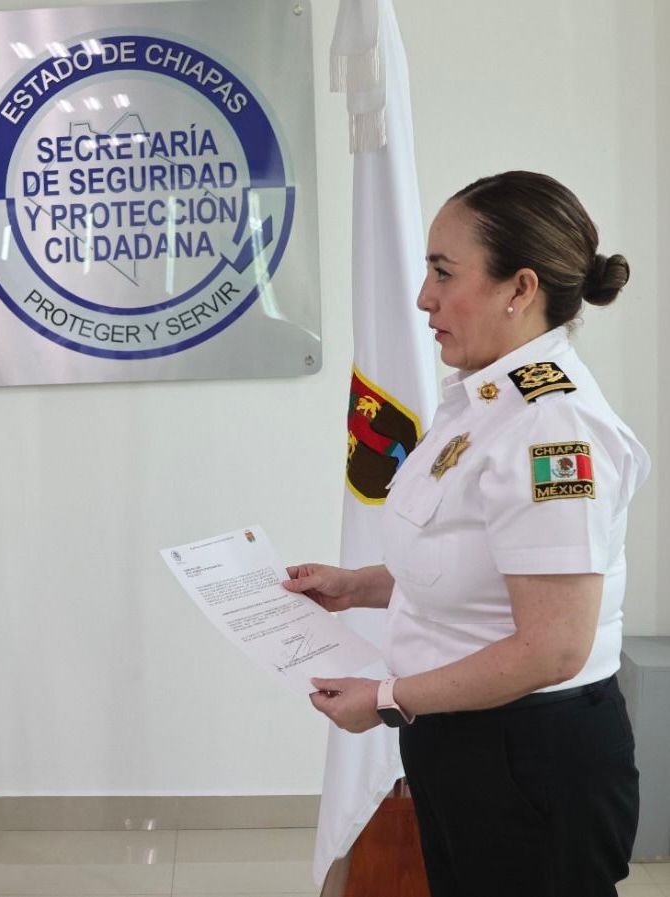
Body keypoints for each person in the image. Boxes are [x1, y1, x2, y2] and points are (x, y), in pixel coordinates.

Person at [285, 171, 648, 897]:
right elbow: (479, 560)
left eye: (444, 273)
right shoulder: (487, 399)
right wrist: (356, 586)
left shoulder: (552, 428)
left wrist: (387, 696)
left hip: (529, 756)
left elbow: (552, 645)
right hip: (469, 739)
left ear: (519, 288)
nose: (424, 297)